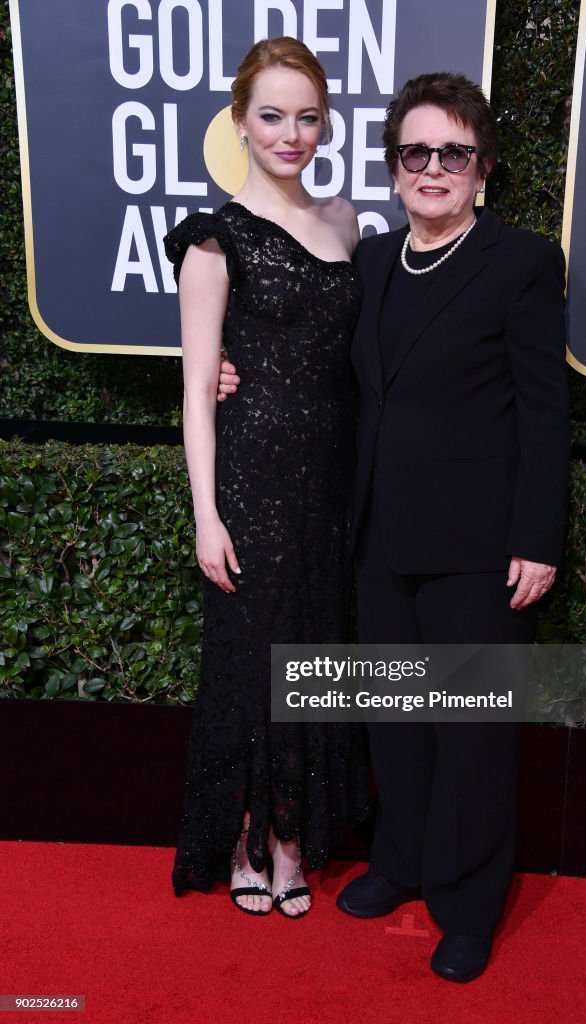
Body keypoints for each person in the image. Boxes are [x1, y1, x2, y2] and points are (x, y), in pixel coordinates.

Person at [220, 71, 569, 977]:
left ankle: (467, 902)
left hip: (480, 548)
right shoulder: (372, 260)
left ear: (481, 166)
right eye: (415, 152)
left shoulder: (520, 262)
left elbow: (543, 411)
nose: (432, 168)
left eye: (452, 153)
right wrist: (231, 368)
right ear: (392, 166)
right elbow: (310, 357)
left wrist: (537, 537)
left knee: (473, 734)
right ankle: (403, 863)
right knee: (398, 723)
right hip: (377, 536)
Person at [165, 36, 367, 920]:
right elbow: (196, 393)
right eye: (272, 116)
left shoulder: (347, 220)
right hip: (248, 478)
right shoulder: (214, 238)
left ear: (325, 123)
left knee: (313, 652)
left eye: (307, 117)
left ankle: (296, 837)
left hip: (331, 483)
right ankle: (254, 838)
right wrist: (207, 514)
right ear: (240, 124)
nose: (291, 134)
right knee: (255, 662)